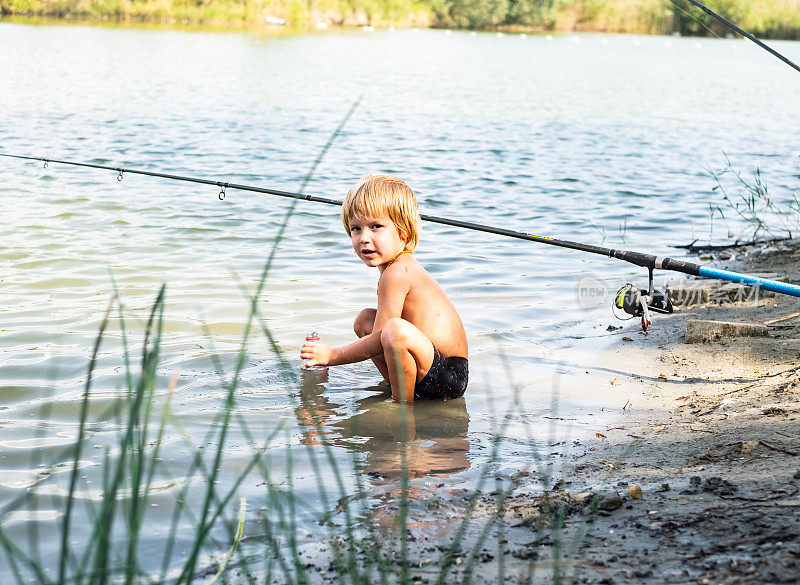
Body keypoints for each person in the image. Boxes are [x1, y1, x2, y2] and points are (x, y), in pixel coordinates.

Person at [300, 175, 468, 402]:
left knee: (393, 331)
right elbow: (377, 335)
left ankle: (403, 405)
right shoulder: (392, 268)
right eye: (356, 229)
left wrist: (332, 356)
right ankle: (398, 386)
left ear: (403, 232)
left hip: (448, 376)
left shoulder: (398, 272)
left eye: (376, 227)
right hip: (430, 365)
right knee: (365, 320)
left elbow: (382, 338)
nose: (363, 238)